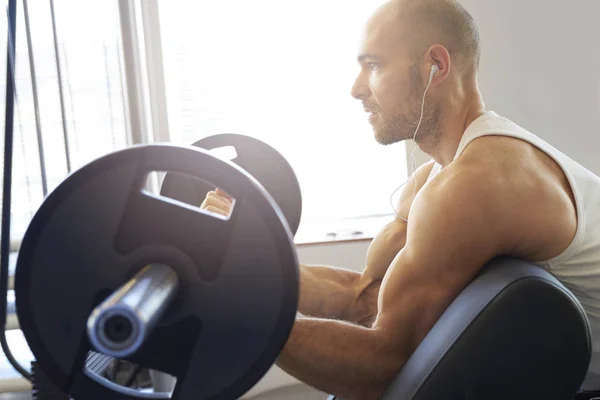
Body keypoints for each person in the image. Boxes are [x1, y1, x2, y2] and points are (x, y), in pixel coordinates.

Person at [201, 0, 600, 398]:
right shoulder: (435, 176)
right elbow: (365, 296)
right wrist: (251, 261)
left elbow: (385, 366)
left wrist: (247, 315)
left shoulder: (480, 181)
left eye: (373, 65)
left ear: (435, 66)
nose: (356, 88)